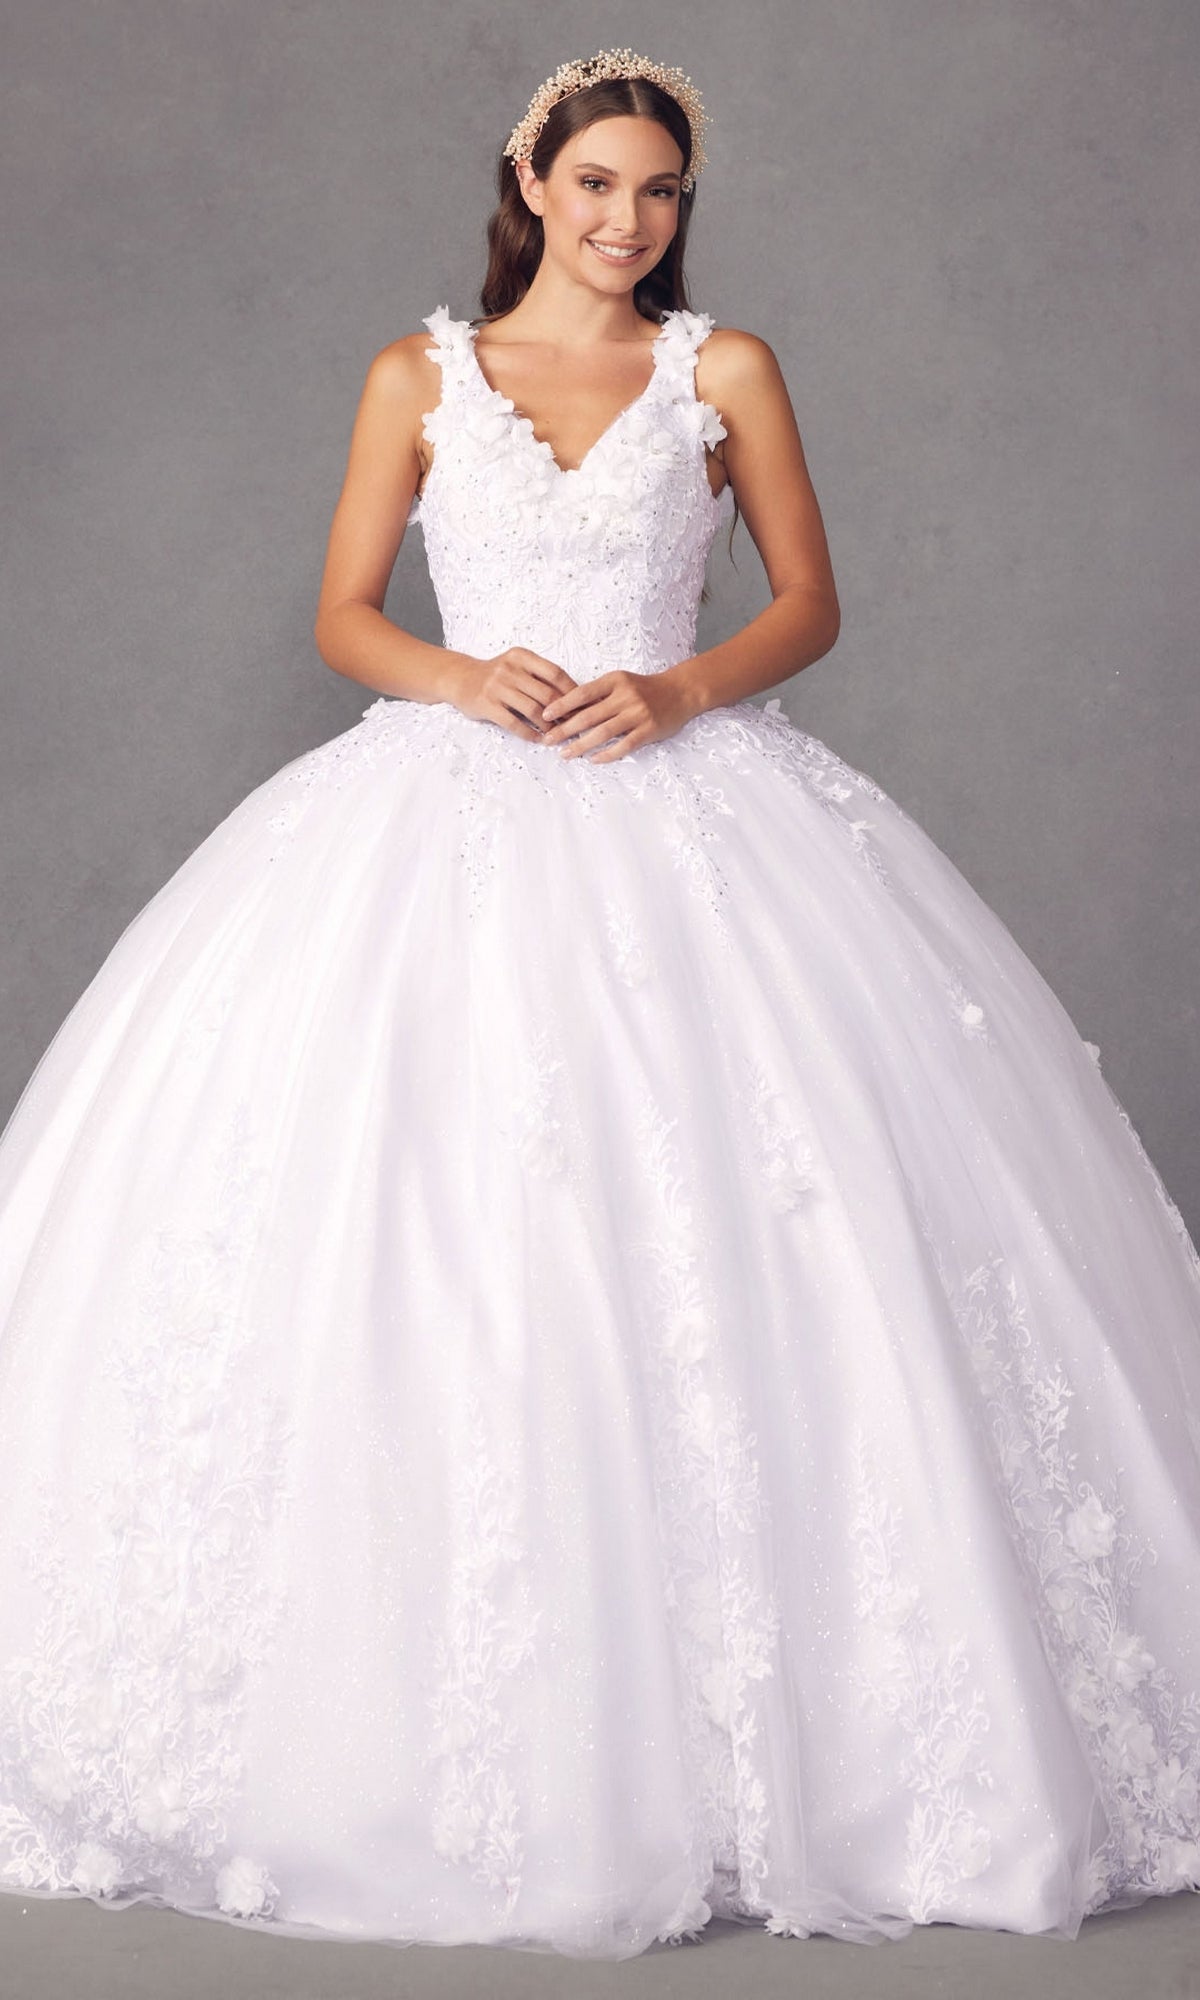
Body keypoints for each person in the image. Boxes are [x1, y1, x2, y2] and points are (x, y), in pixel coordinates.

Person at [1, 46, 1198, 1966]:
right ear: (529, 177)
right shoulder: (418, 376)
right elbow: (343, 612)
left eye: (657, 194)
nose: (626, 222)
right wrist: (460, 683)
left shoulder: (725, 373)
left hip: (697, 808)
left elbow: (807, 600)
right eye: (596, 186)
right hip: (442, 807)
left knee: (761, 1229)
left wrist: (680, 693)